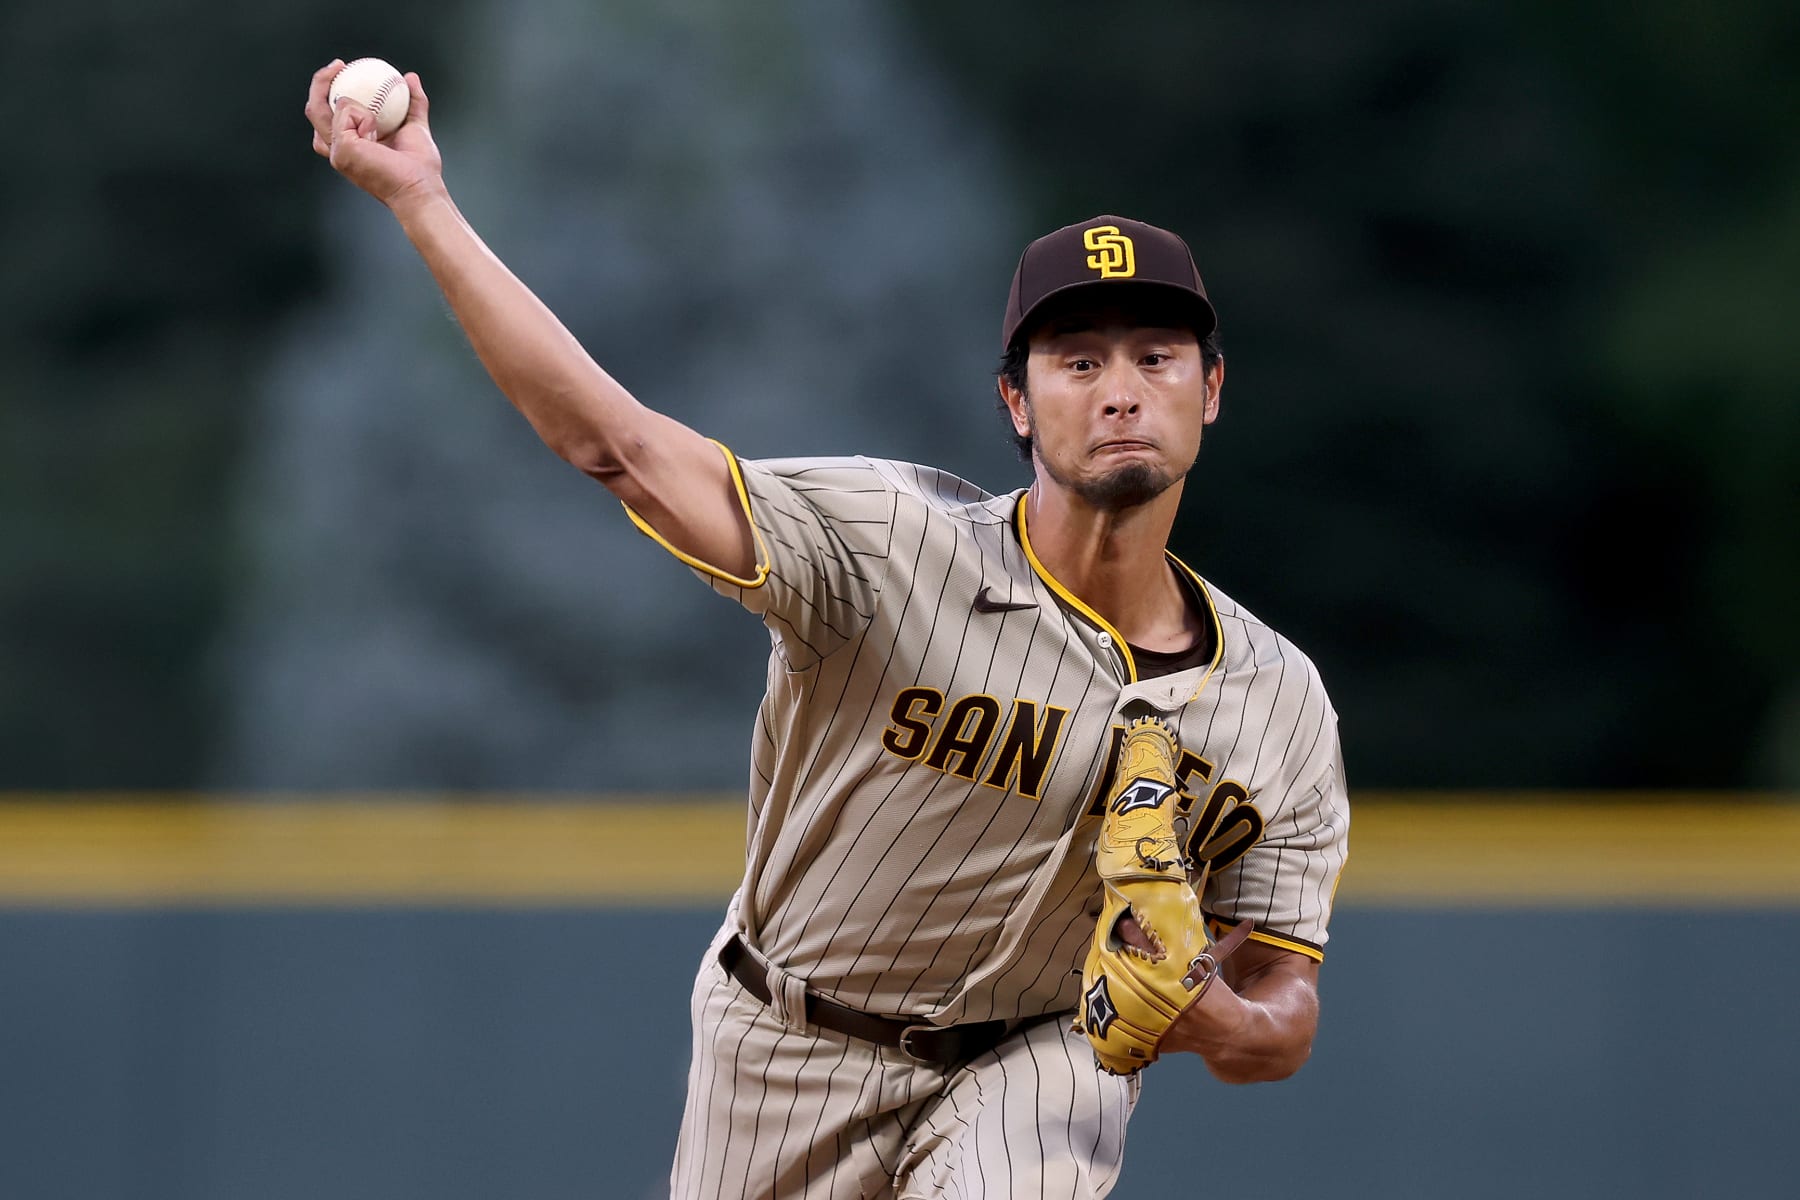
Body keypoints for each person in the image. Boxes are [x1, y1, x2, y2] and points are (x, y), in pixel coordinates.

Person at [306, 61, 1349, 1200]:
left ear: (1210, 389)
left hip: (1040, 1054)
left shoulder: (1280, 705)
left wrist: (1224, 1023)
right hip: (787, 1042)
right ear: (1016, 402)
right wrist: (423, 204)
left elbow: (1280, 1002)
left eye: (1156, 357)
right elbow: (621, 448)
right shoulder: (882, 545)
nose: (1120, 391)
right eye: (1078, 360)